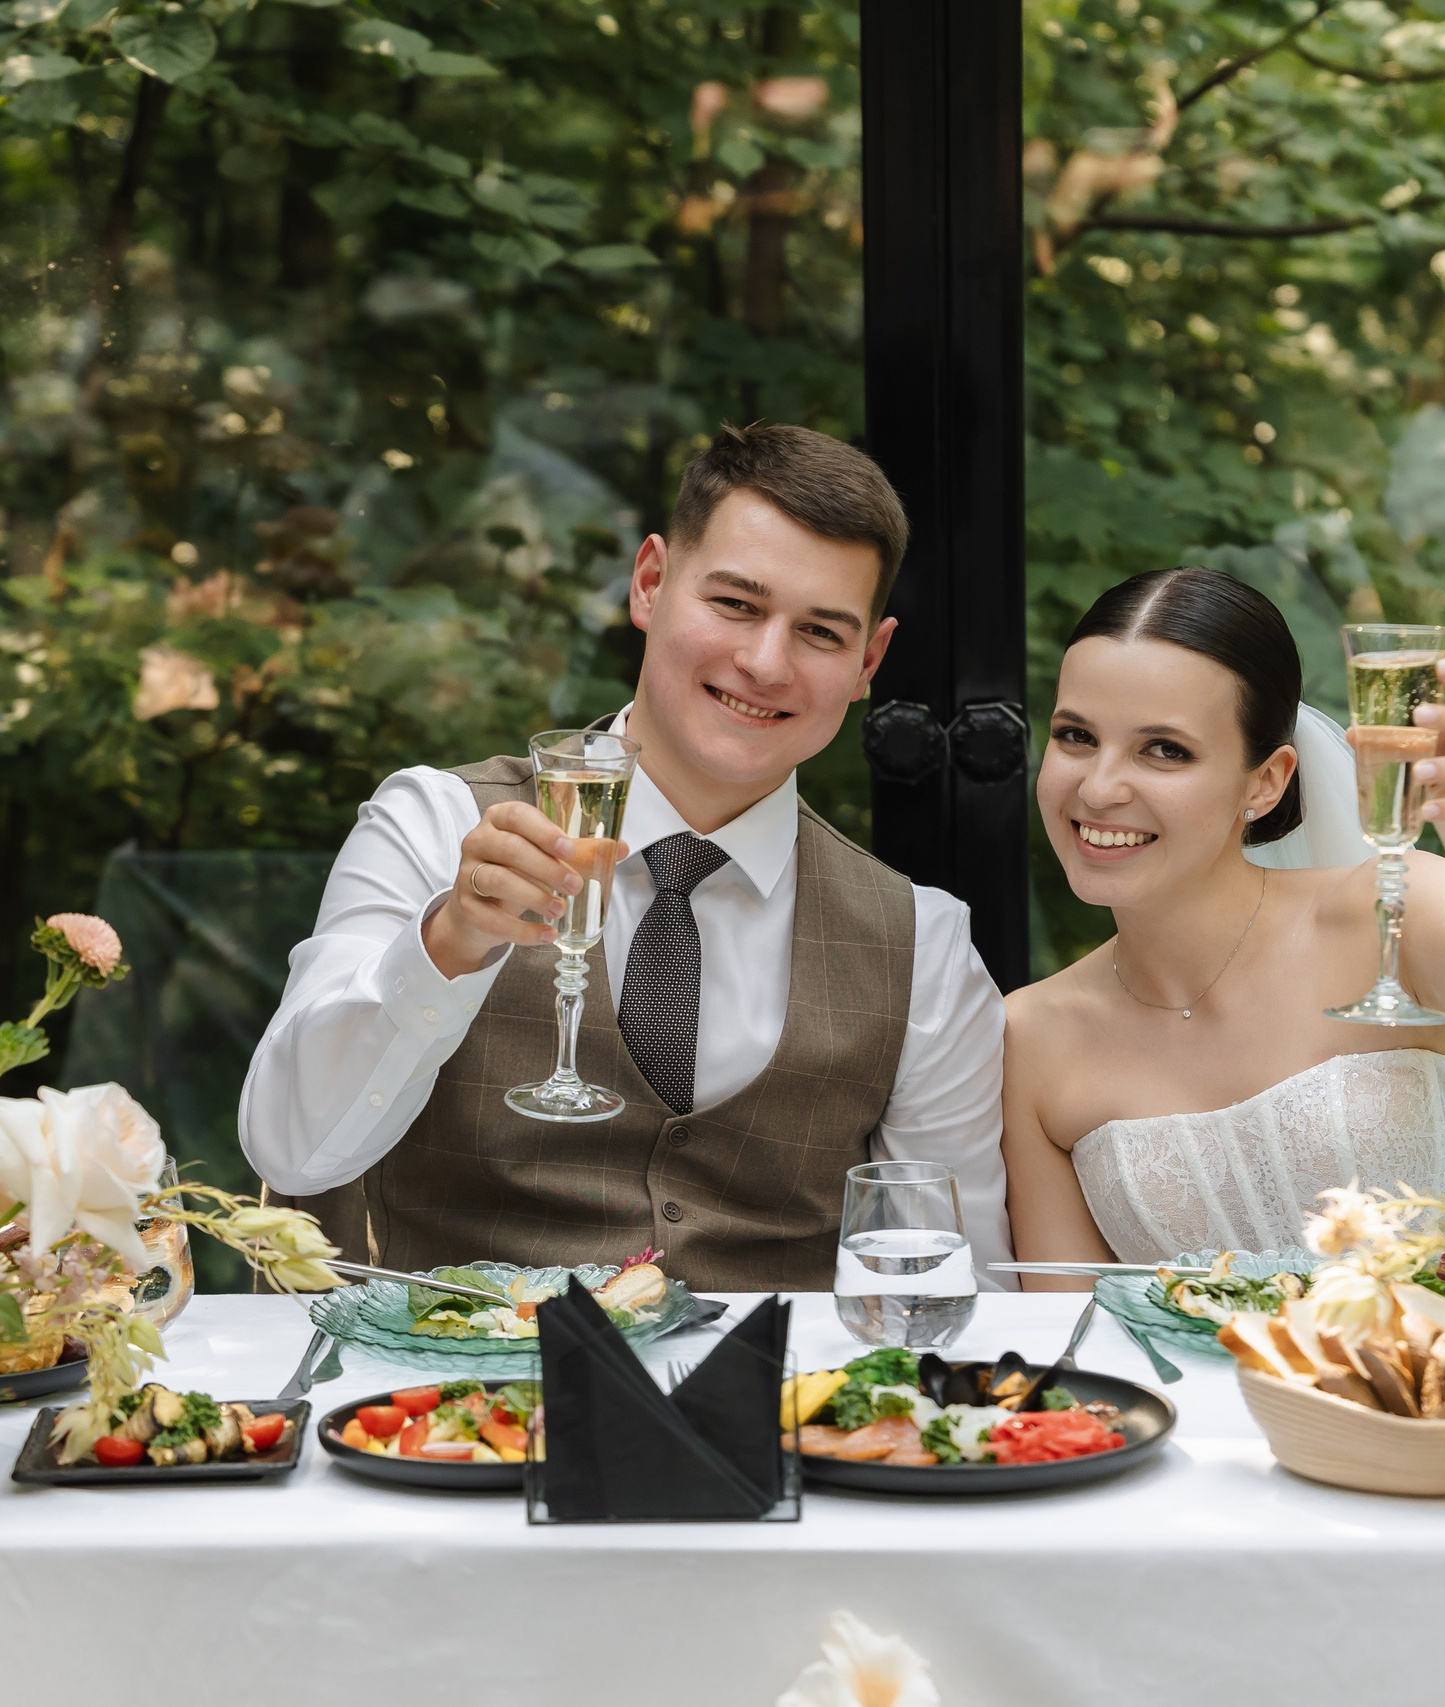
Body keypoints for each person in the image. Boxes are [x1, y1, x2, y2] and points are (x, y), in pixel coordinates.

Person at [241, 424, 1011, 1290]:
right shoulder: (433, 824)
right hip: (454, 1372)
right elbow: (291, 1150)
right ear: (650, 582)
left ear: (869, 661)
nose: (765, 662)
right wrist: (446, 946)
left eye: (821, 632)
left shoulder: (923, 944)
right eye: (736, 604)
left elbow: (960, 1289)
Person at [1003, 567, 1445, 1277]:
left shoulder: (1388, 912)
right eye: (1076, 736)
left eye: (1165, 749)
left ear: (1266, 781)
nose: (1100, 787)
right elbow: (1065, 1319)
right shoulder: (1029, 1036)